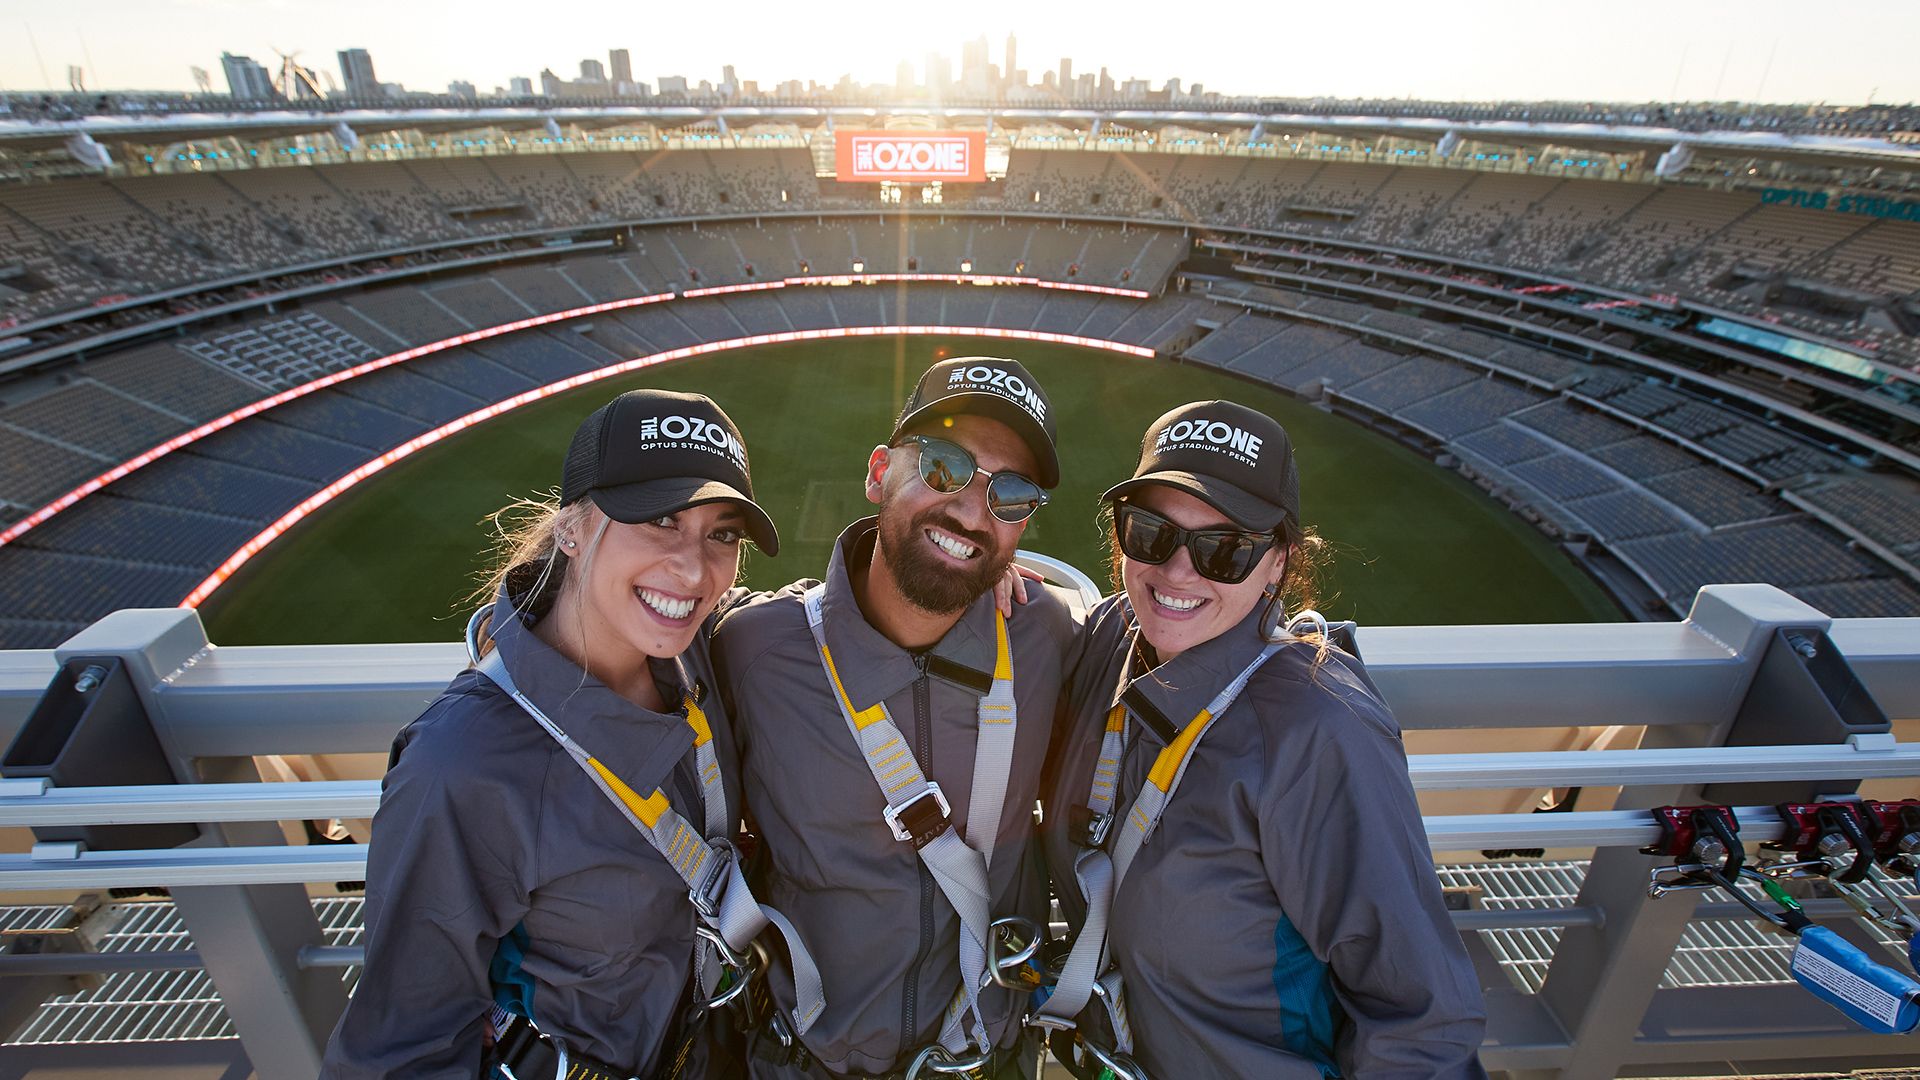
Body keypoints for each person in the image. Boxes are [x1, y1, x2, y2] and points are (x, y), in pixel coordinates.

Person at [322, 389, 808, 1080]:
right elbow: (400, 1053)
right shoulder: (460, 767)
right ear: (572, 529)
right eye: (659, 519)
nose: (695, 570)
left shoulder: (699, 645)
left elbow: (810, 617)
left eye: (722, 534)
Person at [1034, 400, 1487, 1079]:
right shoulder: (1111, 638)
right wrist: (987, 583)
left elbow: (1422, 1019)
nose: (1177, 571)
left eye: (1224, 549)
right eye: (1151, 532)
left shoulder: (1321, 732)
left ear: (1278, 563)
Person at [713, 356, 1085, 1078]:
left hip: (991, 1058)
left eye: (1010, 495)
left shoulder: (1049, 635)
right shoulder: (753, 653)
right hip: (804, 1060)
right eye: (944, 468)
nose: (972, 514)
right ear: (879, 472)